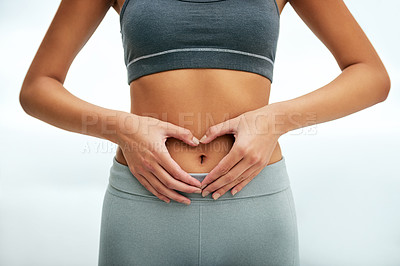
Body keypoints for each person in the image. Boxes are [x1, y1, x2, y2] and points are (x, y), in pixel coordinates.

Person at [19, 0, 390, 265]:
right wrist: (123, 128)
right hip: (144, 205)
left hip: (254, 204)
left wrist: (274, 120)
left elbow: (371, 74)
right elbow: (38, 87)